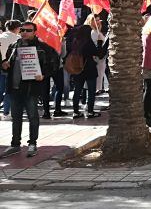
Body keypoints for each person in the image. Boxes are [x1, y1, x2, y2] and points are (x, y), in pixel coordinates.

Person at [0, 21, 59, 158]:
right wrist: (4, 65)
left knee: (33, 116)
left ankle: (32, 143)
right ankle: (15, 144)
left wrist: (43, 75)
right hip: (14, 88)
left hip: (31, 89)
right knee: (16, 117)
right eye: (22, 30)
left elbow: (55, 63)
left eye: (28, 30)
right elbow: (5, 64)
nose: (24, 33)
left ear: (35, 32)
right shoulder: (14, 46)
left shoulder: (43, 48)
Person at [68, 25, 103, 119]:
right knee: (91, 91)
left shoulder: (75, 42)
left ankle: (75, 111)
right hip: (89, 69)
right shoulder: (88, 42)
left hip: (78, 69)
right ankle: (90, 111)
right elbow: (98, 53)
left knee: (77, 90)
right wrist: (99, 42)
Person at [0, 20, 21, 119]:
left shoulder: (1, 37)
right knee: (9, 90)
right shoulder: (18, 39)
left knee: (1, 90)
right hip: (12, 67)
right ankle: (6, 112)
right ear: (17, 29)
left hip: (1, 66)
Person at [85, 13, 109, 94]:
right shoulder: (93, 32)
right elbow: (94, 47)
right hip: (97, 60)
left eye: (99, 20)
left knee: (97, 81)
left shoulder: (97, 31)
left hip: (101, 60)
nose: (98, 22)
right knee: (94, 83)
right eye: (95, 20)